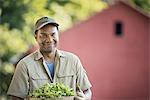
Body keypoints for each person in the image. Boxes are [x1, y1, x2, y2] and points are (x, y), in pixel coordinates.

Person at [7, 16, 92, 100]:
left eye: (53, 34)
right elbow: (15, 97)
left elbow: (87, 91)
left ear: (58, 34)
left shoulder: (73, 61)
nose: (49, 39)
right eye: (43, 35)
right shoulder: (24, 65)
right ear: (36, 37)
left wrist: (84, 98)